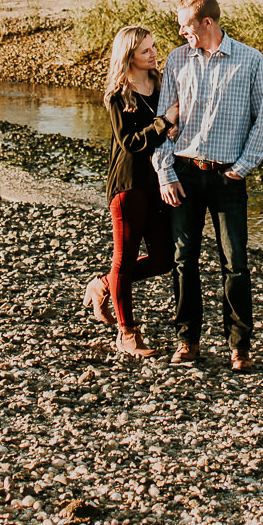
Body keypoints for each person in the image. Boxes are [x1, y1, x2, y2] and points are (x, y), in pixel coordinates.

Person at [154, 0, 263, 372]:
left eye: (186, 24)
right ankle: (187, 341)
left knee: (235, 263)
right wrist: (165, 173)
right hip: (184, 174)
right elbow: (163, 123)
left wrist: (242, 167)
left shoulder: (251, 61)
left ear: (207, 23)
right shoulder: (176, 60)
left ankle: (239, 346)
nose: (180, 30)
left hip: (227, 177)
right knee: (183, 260)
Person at [82, 25, 177, 357]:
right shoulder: (118, 96)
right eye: (145, 51)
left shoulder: (162, 84)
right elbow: (131, 143)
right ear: (129, 58)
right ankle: (126, 334)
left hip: (158, 183)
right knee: (123, 260)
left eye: (153, 47)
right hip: (128, 185)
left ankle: (103, 285)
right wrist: (164, 122)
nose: (154, 54)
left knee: (165, 258)